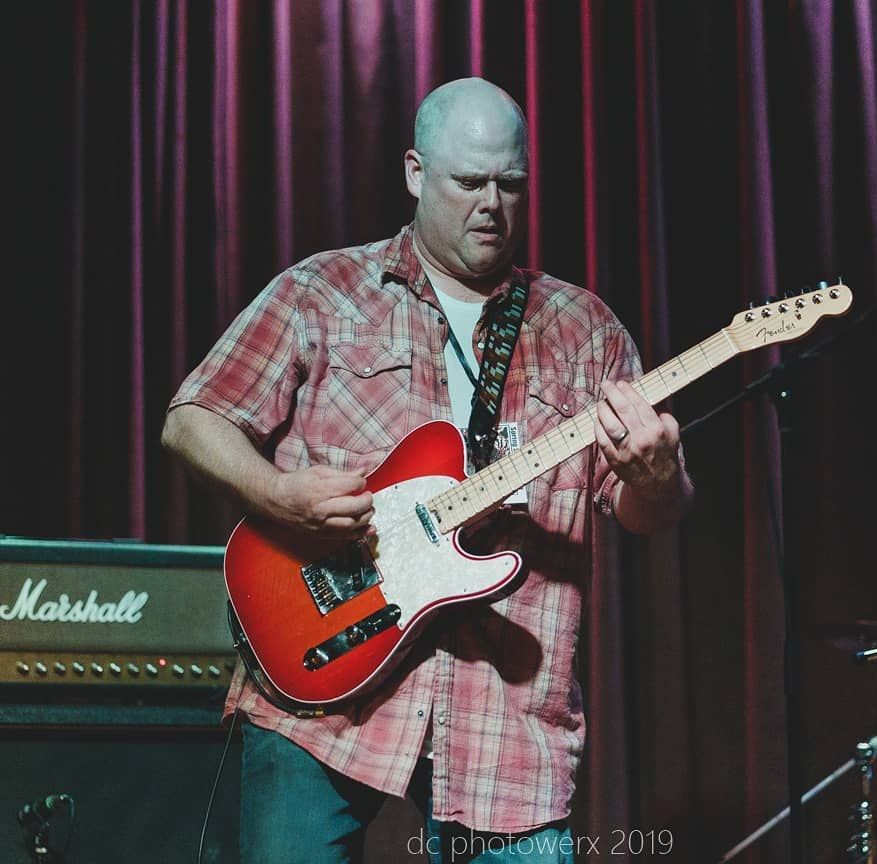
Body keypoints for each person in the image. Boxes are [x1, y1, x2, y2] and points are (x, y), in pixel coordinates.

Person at [162, 77, 693, 864]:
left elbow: (650, 513)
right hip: (316, 694)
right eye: (468, 182)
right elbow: (192, 419)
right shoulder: (324, 293)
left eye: (511, 184)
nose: (492, 205)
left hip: (503, 725)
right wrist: (276, 493)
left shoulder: (586, 332)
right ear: (416, 173)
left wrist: (655, 473)